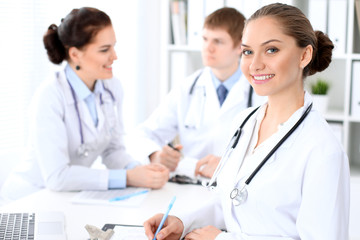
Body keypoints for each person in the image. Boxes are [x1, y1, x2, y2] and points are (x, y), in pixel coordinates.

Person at [143, 3, 350, 239]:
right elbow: (231, 202)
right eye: (248, 51)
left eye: (271, 50)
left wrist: (222, 239)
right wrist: (183, 221)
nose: (254, 64)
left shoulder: (323, 150)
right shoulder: (245, 121)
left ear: (304, 55)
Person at [1, 7, 169, 201]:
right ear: (75, 54)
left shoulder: (112, 87)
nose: (115, 56)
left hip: (68, 197)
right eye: (105, 49)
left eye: (114, 46)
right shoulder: (50, 96)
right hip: (30, 198)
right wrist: (127, 177)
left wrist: (141, 171)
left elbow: (112, 150)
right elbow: (58, 177)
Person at [131, 7, 265, 178]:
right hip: (192, 185)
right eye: (205, 39)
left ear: (240, 46)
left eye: (218, 41)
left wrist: (228, 166)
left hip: (239, 185)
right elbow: (142, 134)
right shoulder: (187, 88)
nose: (208, 48)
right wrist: (155, 155)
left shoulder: (260, 92)